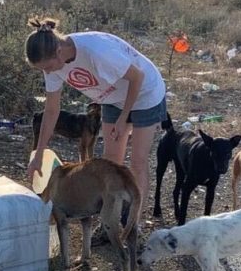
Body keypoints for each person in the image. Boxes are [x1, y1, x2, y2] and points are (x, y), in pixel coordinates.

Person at [25, 17, 167, 213]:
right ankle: (111, 219)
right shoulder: (52, 64)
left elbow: (137, 77)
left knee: (138, 161)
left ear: (58, 52)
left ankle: (134, 223)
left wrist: (123, 118)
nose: (47, 72)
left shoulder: (97, 51)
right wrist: (39, 154)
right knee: (110, 160)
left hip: (145, 92)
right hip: (113, 98)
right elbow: (51, 110)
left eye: (47, 67)